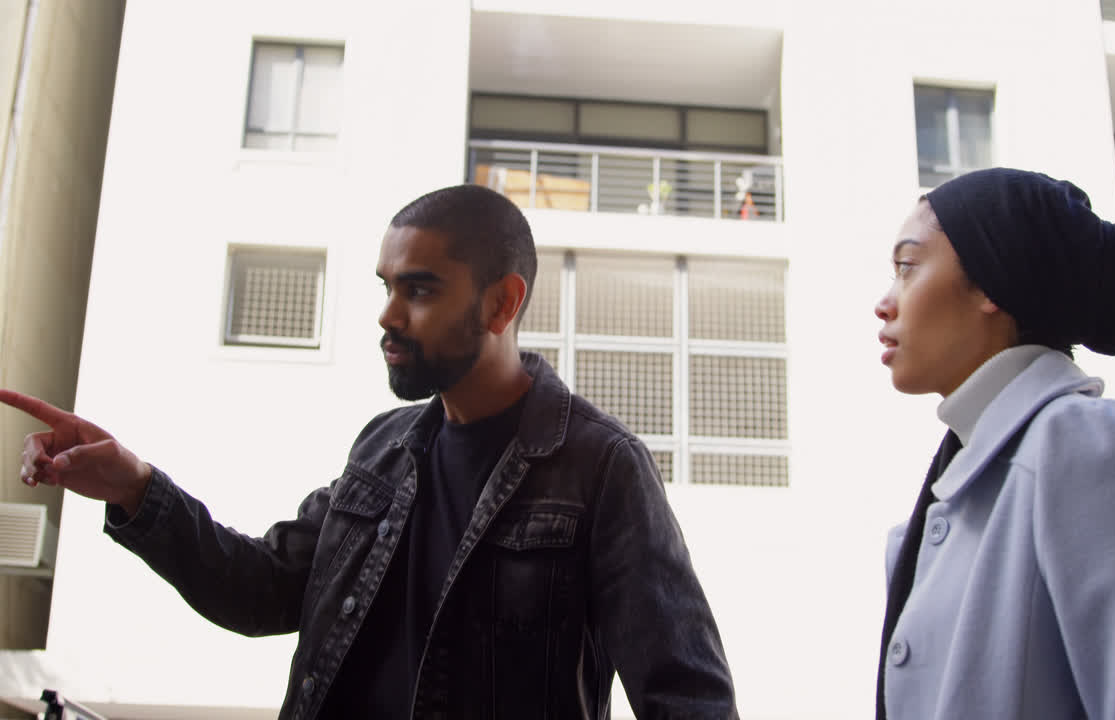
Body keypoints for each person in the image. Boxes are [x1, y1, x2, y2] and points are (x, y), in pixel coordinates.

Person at [2, 184, 737, 719]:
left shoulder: (600, 467)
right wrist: (135, 486)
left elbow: (687, 695)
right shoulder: (383, 449)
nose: (387, 315)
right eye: (387, 286)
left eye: (419, 289)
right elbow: (265, 587)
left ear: (501, 303)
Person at [872, 168, 1115, 720]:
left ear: (991, 284)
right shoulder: (934, 515)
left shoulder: (1082, 443)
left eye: (907, 267)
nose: (885, 302)